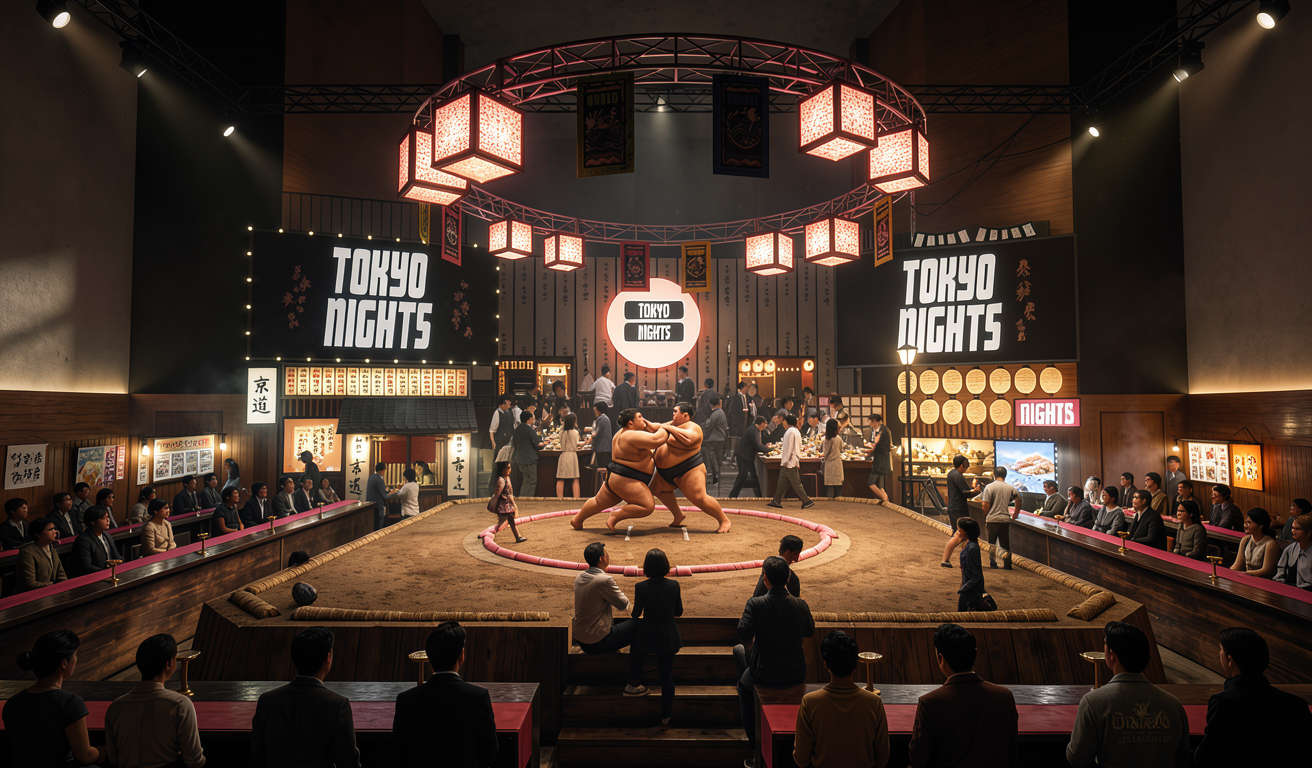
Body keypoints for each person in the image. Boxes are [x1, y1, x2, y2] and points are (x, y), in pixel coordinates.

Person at [1066, 621, 1190, 768]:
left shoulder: (1093, 702)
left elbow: (1077, 758)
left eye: (1105, 644)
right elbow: (1183, 758)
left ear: (1111, 655)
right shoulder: (1173, 704)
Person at [1193, 627, 1312, 766]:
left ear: (1230, 661)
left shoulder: (1224, 703)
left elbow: (1205, 758)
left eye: (1220, 650)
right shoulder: (1297, 705)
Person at [908, 623, 1019, 768]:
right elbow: (1012, 754)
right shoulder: (1005, 697)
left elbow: (918, 759)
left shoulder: (930, 703)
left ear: (941, 659)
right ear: (974, 655)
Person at [737, 556, 815, 753]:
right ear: (788, 578)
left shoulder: (755, 604)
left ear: (765, 578)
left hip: (764, 673)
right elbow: (809, 631)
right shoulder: (801, 604)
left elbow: (743, 632)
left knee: (743, 687)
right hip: (795, 672)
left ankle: (755, 745)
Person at [252, 626, 360, 768]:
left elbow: (259, 758)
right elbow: (349, 763)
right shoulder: (338, 705)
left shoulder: (266, 701)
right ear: (328, 657)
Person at [393, 622, 498, 767]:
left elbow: (399, 756)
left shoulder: (405, 700)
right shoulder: (478, 697)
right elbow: (489, 753)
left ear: (429, 657)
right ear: (461, 656)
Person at [3, 630, 104, 767]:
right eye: (75, 655)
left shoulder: (12, 703)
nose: (76, 659)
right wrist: (104, 751)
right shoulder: (70, 703)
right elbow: (85, 756)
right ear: (64, 663)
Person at [105, 633, 205, 768]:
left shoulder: (115, 708)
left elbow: (113, 759)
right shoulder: (180, 705)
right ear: (169, 664)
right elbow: (195, 762)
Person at [793, 630, 890, 768]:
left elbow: (801, 759)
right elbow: (883, 758)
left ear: (826, 664)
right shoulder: (874, 703)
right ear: (856, 662)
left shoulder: (810, 702)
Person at [570, 409, 669, 531]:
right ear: (630, 422)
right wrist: (666, 427)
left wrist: (661, 426)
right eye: (640, 417)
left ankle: (577, 520)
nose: (643, 419)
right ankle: (616, 515)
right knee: (646, 506)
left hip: (616, 477)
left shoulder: (622, 434)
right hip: (627, 479)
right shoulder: (630, 435)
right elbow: (656, 440)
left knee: (598, 502)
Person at [648, 402, 732, 533]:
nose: (673, 414)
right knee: (658, 490)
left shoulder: (693, 427)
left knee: (700, 498)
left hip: (688, 470)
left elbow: (689, 439)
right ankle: (678, 515)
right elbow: (654, 427)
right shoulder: (672, 425)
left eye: (676, 411)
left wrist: (668, 428)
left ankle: (724, 520)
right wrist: (641, 421)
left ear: (685, 415)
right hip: (665, 473)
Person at [572, 542, 645, 687]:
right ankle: (634, 681)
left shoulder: (579, 577)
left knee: (618, 621)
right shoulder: (604, 580)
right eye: (607, 554)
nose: (608, 556)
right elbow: (623, 605)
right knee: (640, 625)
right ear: (602, 558)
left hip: (581, 640)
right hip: (597, 643)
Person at [630, 548, 684, 725]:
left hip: (647, 637)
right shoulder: (674, 585)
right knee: (666, 676)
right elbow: (679, 612)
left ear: (646, 567)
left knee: (635, 652)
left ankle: (633, 682)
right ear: (666, 565)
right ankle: (665, 717)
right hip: (669, 636)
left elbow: (636, 614)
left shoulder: (641, 587)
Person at [769, 413, 815, 510]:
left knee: (795, 483)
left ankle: (806, 501)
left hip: (789, 462)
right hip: (792, 460)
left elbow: (789, 448)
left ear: (787, 422)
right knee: (782, 482)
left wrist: (784, 460)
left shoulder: (790, 432)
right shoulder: (796, 431)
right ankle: (776, 500)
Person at [979, 467, 1019, 569]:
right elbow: (1018, 499)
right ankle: (1007, 563)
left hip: (992, 519)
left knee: (992, 543)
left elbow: (985, 503)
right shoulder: (1010, 487)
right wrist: (1016, 514)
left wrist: (985, 512)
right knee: (1005, 543)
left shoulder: (989, 487)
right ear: (1005, 475)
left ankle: (993, 562)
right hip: (1005, 519)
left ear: (994, 474)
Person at [17, 518, 67, 592]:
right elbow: (30, 584)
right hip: (35, 594)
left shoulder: (51, 548)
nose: (54, 532)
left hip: (52, 590)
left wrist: (64, 586)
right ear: (38, 534)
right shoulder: (27, 553)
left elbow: (61, 575)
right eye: (50, 530)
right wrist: (54, 585)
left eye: (54, 528)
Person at [70, 506, 121, 576]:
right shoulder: (83, 540)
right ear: (93, 522)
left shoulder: (107, 535)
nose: (107, 520)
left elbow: (117, 557)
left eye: (107, 517)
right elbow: (86, 566)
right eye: (103, 518)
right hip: (94, 577)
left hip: (109, 574)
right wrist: (107, 572)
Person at [1230, 508, 1280, 578]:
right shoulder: (1245, 540)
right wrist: (1229, 572)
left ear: (1260, 526)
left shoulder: (1270, 544)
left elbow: (1267, 571)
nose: (1245, 525)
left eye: (1249, 522)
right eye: (1245, 522)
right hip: (1247, 577)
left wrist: (1244, 573)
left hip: (1262, 581)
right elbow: (1237, 565)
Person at [729, 416, 769, 499]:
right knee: (742, 477)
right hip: (744, 457)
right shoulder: (754, 431)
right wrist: (770, 449)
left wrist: (765, 447)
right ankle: (733, 496)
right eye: (765, 424)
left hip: (746, 457)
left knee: (751, 477)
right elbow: (758, 446)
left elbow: (758, 445)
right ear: (762, 423)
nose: (765, 426)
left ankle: (758, 495)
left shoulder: (753, 429)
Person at [487, 461, 527, 543]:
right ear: (503, 469)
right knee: (504, 523)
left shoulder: (507, 478)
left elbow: (510, 494)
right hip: (503, 504)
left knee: (509, 521)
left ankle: (518, 537)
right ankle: (489, 533)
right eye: (507, 468)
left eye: (510, 467)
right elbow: (497, 494)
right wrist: (494, 505)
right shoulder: (501, 480)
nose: (509, 469)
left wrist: (512, 504)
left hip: (507, 503)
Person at [1274, 512, 1312, 589]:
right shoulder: (1290, 549)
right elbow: (1280, 571)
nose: (1293, 531)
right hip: (1289, 589)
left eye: (1297, 529)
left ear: (1309, 533)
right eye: (1292, 528)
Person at [954, 517, 986, 611]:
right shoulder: (970, 545)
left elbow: (977, 574)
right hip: (968, 586)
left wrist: (964, 589)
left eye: (959, 530)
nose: (958, 533)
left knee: (964, 613)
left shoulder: (973, 548)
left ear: (964, 532)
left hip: (972, 589)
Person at [943, 455, 982, 531]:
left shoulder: (952, 473)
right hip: (958, 509)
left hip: (953, 508)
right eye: (965, 467)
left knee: (957, 531)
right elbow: (967, 493)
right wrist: (977, 491)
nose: (966, 469)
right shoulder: (957, 476)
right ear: (961, 466)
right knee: (962, 532)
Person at [512, 410, 543, 497]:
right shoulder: (528, 428)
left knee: (526, 481)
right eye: (533, 418)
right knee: (531, 481)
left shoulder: (517, 429)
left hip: (519, 459)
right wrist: (543, 443)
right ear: (529, 419)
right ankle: (526, 500)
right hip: (529, 459)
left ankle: (522, 499)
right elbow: (537, 443)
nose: (533, 420)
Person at [863, 413, 892, 503]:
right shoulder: (882, 429)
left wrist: (871, 450)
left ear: (875, 421)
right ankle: (885, 501)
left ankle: (884, 499)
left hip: (880, 462)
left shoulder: (883, 431)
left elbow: (883, 447)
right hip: (882, 461)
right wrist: (873, 448)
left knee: (870, 482)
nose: (870, 424)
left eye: (870, 422)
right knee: (881, 485)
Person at [703, 394, 728, 484]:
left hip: (714, 438)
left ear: (711, 404)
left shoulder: (715, 414)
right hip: (721, 438)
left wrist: (705, 435)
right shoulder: (721, 413)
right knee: (718, 457)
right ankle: (716, 474)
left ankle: (715, 473)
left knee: (711, 454)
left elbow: (708, 426)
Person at [586, 401, 614, 482]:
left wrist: (586, 442)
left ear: (599, 410)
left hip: (603, 449)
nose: (594, 412)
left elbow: (595, 433)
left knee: (603, 471)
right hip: (606, 448)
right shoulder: (605, 418)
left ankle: (603, 486)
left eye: (595, 410)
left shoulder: (601, 419)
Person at [556, 412, 581, 498]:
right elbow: (577, 444)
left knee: (560, 478)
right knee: (575, 479)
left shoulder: (562, 432)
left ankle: (559, 498)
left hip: (563, 455)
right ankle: (576, 498)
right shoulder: (575, 432)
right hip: (573, 456)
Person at [489, 394, 519, 462]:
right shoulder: (497, 413)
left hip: (510, 440)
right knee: (500, 460)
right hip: (500, 441)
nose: (510, 403)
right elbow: (492, 430)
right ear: (504, 403)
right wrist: (493, 443)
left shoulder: (510, 411)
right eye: (508, 401)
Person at [821, 419, 845, 499]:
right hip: (838, 463)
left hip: (829, 464)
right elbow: (841, 449)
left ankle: (830, 506)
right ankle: (839, 505)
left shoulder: (827, 439)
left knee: (830, 487)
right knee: (838, 487)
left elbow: (826, 453)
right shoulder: (838, 438)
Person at [365, 462, 390, 530]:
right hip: (378, 506)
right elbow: (385, 495)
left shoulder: (371, 477)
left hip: (370, 506)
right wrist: (393, 492)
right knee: (378, 528)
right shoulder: (379, 479)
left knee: (372, 527)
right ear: (383, 470)